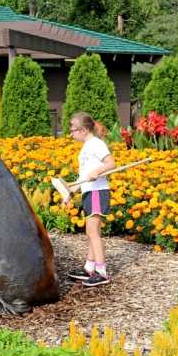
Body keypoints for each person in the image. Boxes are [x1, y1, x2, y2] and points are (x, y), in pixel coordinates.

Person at [63, 112, 116, 287]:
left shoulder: (96, 144)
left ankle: (101, 272)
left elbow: (111, 163)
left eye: (73, 130)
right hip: (89, 191)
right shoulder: (86, 147)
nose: (71, 134)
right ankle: (89, 268)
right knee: (91, 231)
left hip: (97, 191)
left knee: (93, 232)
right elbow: (82, 177)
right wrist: (69, 193)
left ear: (84, 130)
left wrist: (98, 171)